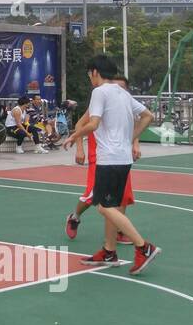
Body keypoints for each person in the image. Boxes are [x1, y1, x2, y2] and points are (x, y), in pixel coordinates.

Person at [64, 56, 161, 274]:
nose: (90, 78)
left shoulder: (100, 92)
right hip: (123, 158)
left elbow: (93, 123)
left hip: (109, 159)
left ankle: (143, 247)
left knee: (103, 206)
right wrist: (130, 138)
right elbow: (147, 116)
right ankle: (109, 250)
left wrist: (74, 136)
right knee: (113, 206)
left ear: (95, 72)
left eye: (89, 73)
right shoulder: (123, 94)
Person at [65, 75, 137, 243]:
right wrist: (80, 149)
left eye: (121, 88)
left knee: (123, 194)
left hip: (120, 156)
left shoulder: (125, 105)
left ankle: (118, 230)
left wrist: (135, 144)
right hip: (99, 156)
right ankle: (75, 217)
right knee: (93, 194)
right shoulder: (99, 103)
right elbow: (79, 125)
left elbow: (132, 124)